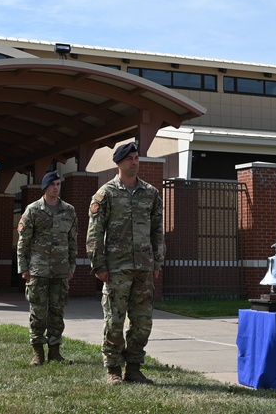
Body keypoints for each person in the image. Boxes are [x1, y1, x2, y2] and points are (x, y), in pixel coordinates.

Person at [86, 141, 164, 385]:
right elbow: (95, 232)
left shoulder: (151, 193)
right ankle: (113, 369)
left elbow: (157, 230)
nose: (135, 161)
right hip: (116, 268)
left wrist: (157, 262)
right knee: (115, 321)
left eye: (136, 157)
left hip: (143, 267)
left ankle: (134, 368)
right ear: (119, 162)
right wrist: (98, 265)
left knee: (142, 322)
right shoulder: (106, 194)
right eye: (130, 158)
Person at [16, 170, 78, 365]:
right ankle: (37, 352)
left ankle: (55, 351)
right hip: (38, 270)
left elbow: (72, 241)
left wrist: (71, 266)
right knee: (38, 312)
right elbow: (23, 242)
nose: (56, 187)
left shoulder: (69, 211)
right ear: (45, 187)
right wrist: (23, 267)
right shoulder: (33, 210)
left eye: (58, 184)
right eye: (52, 184)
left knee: (57, 312)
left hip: (60, 271)